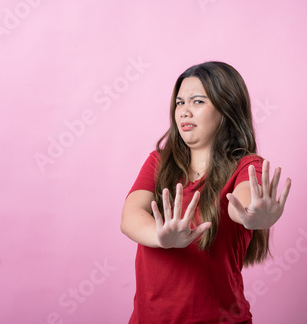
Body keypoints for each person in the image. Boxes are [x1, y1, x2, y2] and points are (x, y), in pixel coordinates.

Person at [120, 61, 292, 323]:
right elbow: (130, 216)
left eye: (197, 102)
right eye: (180, 103)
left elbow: (245, 204)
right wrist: (163, 237)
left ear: (226, 108)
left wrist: (255, 217)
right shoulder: (158, 161)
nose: (184, 112)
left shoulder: (247, 166)